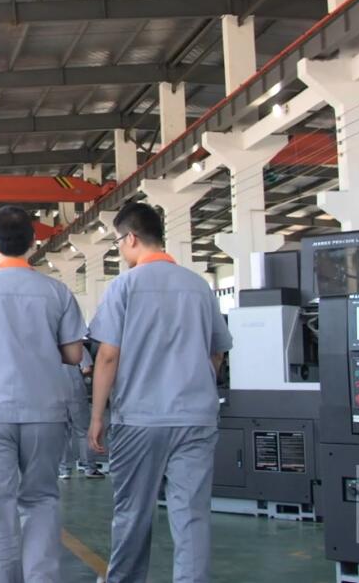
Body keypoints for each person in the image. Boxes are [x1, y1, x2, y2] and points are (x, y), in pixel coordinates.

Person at [87, 202, 233, 583]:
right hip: (195, 417)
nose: (120, 249)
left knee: (133, 513)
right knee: (192, 515)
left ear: (131, 238)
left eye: (118, 241)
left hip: (140, 418)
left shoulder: (124, 287)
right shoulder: (199, 286)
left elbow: (108, 356)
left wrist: (97, 416)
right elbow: (217, 351)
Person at [0, 205, 85, 583]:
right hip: (45, 411)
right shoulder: (56, 291)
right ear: (34, 242)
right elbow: (75, 355)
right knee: (41, 500)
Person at [59, 348, 106, 480]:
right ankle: (89, 468)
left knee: (62, 433)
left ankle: (64, 470)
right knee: (84, 431)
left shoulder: (47, 345)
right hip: (75, 391)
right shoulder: (76, 345)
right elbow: (87, 369)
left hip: (55, 393)